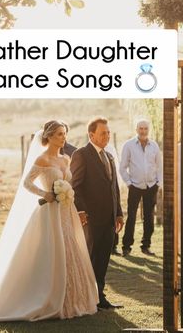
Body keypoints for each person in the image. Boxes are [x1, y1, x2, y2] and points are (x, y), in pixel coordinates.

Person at [0, 121, 98, 323]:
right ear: (48, 137)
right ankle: (46, 296)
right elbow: (27, 183)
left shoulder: (66, 158)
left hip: (66, 210)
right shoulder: (43, 158)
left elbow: (69, 182)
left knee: (71, 247)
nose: (63, 138)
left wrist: (69, 196)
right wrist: (44, 193)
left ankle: (73, 299)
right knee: (52, 250)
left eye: (64, 134)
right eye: (59, 134)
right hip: (49, 213)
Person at [70, 117, 124, 310]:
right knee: (91, 258)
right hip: (91, 220)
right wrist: (81, 210)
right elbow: (74, 186)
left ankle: (99, 297)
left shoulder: (109, 156)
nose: (107, 136)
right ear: (91, 135)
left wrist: (118, 213)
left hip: (109, 219)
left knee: (103, 259)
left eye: (108, 132)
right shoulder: (81, 154)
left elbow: (114, 187)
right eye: (103, 133)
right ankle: (86, 298)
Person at [119, 119, 162, 257]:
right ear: (136, 129)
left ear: (148, 130)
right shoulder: (129, 145)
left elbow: (160, 166)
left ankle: (146, 246)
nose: (143, 131)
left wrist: (158, 183)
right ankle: (126, 247)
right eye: (141, 128)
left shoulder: (154, 146)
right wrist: (128, 183)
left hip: (151, 186)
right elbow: (122, 167)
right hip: (135, 186)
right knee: (131, 216)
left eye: (145, 129)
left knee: (149, 216)